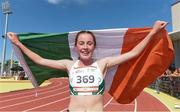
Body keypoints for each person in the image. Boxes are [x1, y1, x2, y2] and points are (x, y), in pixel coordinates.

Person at [7, 20, 167, 112]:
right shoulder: (69, 64)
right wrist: (17, 43)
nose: (85, 46)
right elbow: (39, 60)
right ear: (76, 46)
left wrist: (153, 32)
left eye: (89, 43)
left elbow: (133, 53)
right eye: (81, 43)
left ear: (94, 46)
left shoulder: (103, 64)